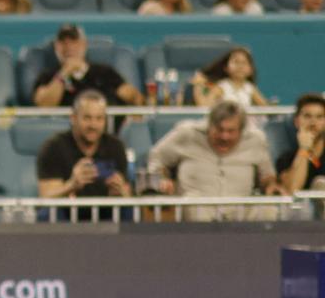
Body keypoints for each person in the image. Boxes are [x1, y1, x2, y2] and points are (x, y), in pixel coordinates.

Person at [147, 101, 284, 221]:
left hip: (240, 207)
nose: (224, 136)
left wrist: (270, 185)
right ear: (209, 125)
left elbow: (267, 176)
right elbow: (156, 158)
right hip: (197, 204)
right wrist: (162, 178)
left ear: (241, 130)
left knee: (268, 209)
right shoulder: (187, 134)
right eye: (219, 130)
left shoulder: (256, 140)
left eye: (231, 131)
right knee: (195, 206)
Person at [36, 90, 131, 220]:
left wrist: (122, 192)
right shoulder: (53, 147)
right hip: (67, 216)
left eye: (99, 119)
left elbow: (127, 193)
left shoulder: (116, 147)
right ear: (73, 118)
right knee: (48, 214)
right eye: (87, 118)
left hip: (106, 215)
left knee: (128, 210)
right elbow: (45, 198)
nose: (93, 125)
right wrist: (71, 185)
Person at [33, 23, 143, 107]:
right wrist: (64, 73)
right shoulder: (48, 75)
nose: (68, 47)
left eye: (73, 41)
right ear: (56, 47)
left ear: (84, 44)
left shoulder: (104, 72)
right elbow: (44, 105)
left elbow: (134, 97)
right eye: (63, 42)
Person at [191, 47, 267, 109]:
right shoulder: (222, 87)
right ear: (226, 68)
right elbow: (205, 106)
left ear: (251, 70)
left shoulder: (250, 88)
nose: (240, 66)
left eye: (244, 63)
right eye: (236, 62)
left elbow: (267, 109)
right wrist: (198, 86)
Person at [277, 94, 325, 191]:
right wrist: (304, 149)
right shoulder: (286, 159)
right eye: (307, 116)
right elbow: (292, 190)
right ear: (296, 121)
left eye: (319, 117)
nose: (313, 122)